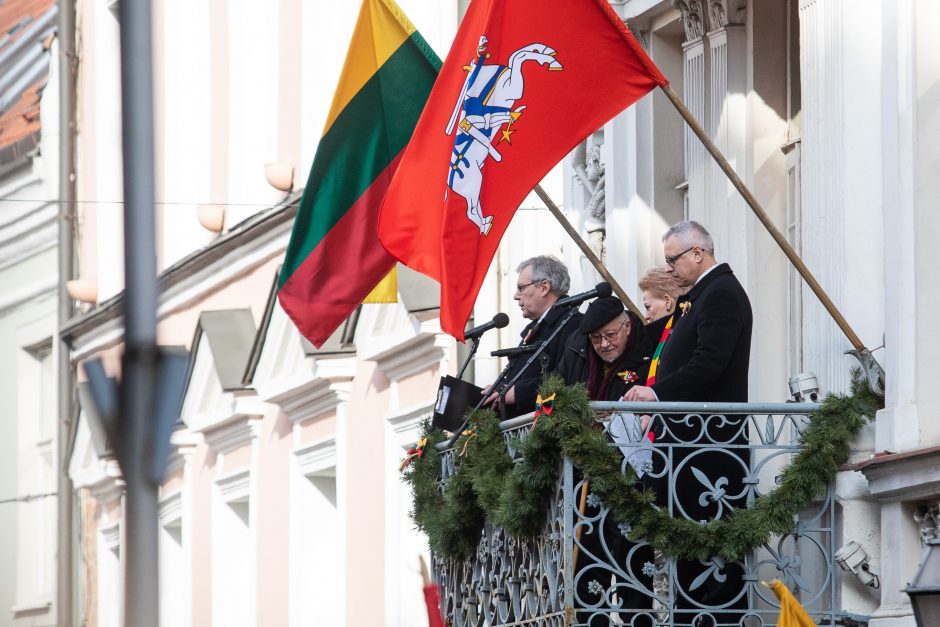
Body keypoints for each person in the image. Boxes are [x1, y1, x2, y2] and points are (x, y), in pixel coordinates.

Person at [623, 220, 753, 626]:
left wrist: (657, 394)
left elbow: (710, 362)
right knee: (688, 550)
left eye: (673, 259)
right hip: (689, 442)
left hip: (711, 444)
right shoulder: (700, 296)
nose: (671, 269)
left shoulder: (721, 294)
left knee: (710, 554)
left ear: (698, 252)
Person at [557, 297, 656, 626]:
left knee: (633, 566)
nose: (604, 344)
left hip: (629, 477)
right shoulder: (581, 353)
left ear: (627, 325)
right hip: (587, 476)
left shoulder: (645, 354)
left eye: (611, 335)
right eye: (596, 339)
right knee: (588, 571)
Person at [484, 255, 582, 416]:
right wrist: (499, 389)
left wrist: (519, 392)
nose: (516, 295)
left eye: (521, 288)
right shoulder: (536, 328)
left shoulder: (572, 324)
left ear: (544, 287)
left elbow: (568, 378)